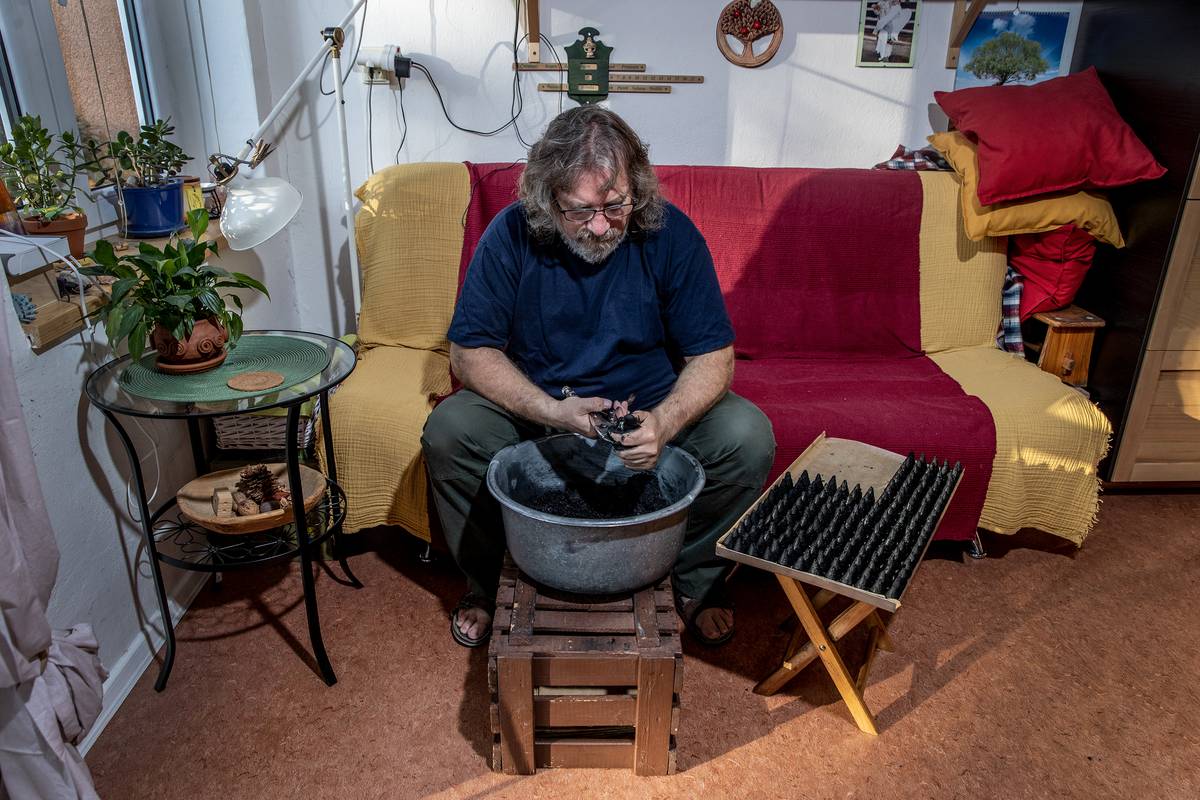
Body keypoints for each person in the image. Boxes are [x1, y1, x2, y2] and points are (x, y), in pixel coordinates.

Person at [420, 106, 775, 648]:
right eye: (581, 211)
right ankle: (486, 587)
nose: (602, 226)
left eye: (615, 205)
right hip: (540, 408)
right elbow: (469, 353)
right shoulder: (511, 233)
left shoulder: (670, 232)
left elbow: (714, 357)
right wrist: (550, 410)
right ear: (548, 199)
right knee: (450, 431)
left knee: (747, 437)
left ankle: (696, 582)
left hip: (649, 407)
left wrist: (665, 422)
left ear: (638, 189)